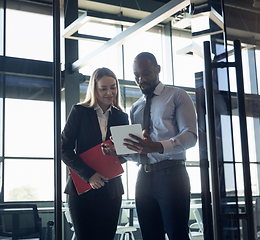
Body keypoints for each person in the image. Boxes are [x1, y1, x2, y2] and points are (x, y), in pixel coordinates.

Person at [103, 52, 197, 240]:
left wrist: (157, 147)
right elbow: (139, 150)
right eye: (137, 75)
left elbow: (190, 136)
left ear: (158, 70)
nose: (141, 79)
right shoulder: (135, 108)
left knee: (177, 234)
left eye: (146, 73)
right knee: (149, 236)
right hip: (144, 178)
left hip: (172, 175)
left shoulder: (177, 96)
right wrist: (119, 152)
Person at [61, 67, 129, 240]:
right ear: (94, 89)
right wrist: (89, 175)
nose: (109, 92)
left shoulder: (122, 117)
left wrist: (117, 154)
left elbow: (125, 154)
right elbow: (63, 148)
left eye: (113, 87)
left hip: (111, 191)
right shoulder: (79, 112)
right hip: (83, 189)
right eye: (103, 88)